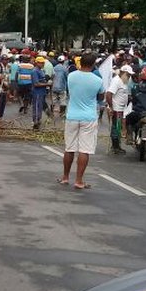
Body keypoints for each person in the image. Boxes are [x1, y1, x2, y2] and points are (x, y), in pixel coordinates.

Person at [58, 52, 105, 189]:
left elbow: (70, 91)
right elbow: (101, 97)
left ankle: (65, 177)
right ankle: (79, 180)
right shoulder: (97, 80)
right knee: (84, 149)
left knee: (69, 148)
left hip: (72, 115)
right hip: (89, 117)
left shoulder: (71, 76)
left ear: (81, 62)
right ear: (93, 64)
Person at [125, 66, 146, 143]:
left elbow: (134, 101)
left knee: (129, 118)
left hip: (139, 113)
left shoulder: (135, 87)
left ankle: (129, 136)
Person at [106, 64, 133, 155]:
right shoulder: (116, 81)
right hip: (116, 108)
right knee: (116, 127)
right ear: (123, 73)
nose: (129, 77)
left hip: (122, 109)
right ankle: (115, 147)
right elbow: (109, 94)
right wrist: (111, 107)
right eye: (128, 75)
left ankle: (117, 146)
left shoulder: (123, 82)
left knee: (118, 127)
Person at [30, 55, 51, 130]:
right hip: (37, 92)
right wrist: (47, 84)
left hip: (42, 92)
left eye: (43, 63)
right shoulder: (35, 71)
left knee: (40, 107)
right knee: (36, 107)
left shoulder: (41, 71)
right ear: (37, 63)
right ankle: (35, 121)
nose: (43, 64)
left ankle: (38, 120)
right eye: (41, 63)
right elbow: (36, 84)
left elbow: (43, 80)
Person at [50, 55, 69, 120]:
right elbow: (67, 77)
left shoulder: (54, 68)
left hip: (54, 87)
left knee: (53, 100)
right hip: (62, 87)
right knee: (63, 101)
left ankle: (51, 114)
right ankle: (62, 114)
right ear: (63, 61)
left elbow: (51, 76)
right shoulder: (65, 68)